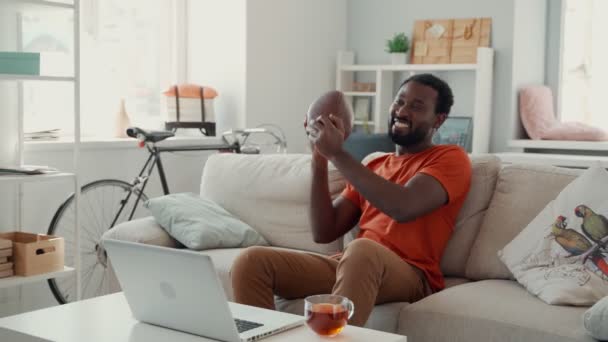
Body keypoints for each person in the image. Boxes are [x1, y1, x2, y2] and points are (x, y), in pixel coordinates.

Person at [231, 73, 472, 327]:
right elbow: (324, 231)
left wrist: (337, 153)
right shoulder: (375, 164)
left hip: (411, 273)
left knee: (362, 250)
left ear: (439, 119)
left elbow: (403, 207)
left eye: (416, 106)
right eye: (399, 102)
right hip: (353, 265)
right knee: (252, 261)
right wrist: (320, 157)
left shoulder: (450, 159)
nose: (402, 111)